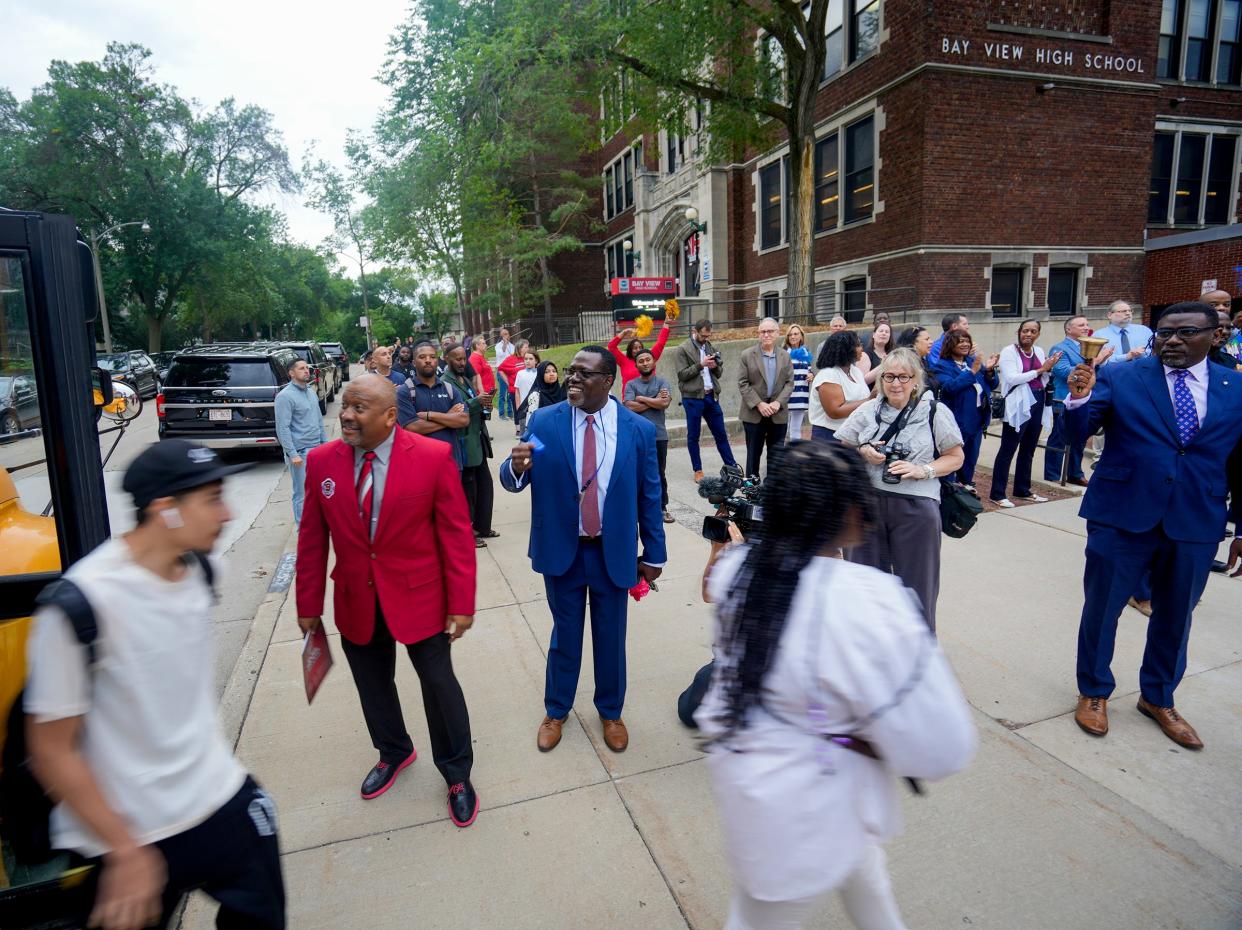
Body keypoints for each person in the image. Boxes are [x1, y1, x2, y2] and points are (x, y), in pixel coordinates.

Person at [698, 441, 975, 930]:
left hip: (760, 780)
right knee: (764, 916)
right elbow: (945, 747)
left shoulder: (739, 572)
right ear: (849, 512)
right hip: (805, 808)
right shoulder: (868, 600)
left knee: (866, 878)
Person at [26, 440, 286, 930]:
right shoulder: (81, 606)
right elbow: (49, 748)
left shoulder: (202, 570)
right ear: (164, 510)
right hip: (131, 835)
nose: (227, 512)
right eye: (211, 499)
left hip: (218, 798)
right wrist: (125, 854)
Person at [296, 375, 480, 825]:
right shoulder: (321, 462)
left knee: (439, 687)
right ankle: (393, 750)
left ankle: (457, 772)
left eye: (359, 408)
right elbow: (312, 538)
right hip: (357, 597)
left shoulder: (433, 457)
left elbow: (456, 536)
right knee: (373, 686)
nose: (346, 415)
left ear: (390, 416)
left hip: (421, 597)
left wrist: (462, 602)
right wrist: (307, 604)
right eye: (345, 406)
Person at [1063, 301, 1242, 751]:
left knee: (1177, 616)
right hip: (1122, 515)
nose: (1173, 340)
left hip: (1196, 520)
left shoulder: (1234, 389)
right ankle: (1094, 691)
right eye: (1164, 333)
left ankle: (1158, 697)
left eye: (1186, 332)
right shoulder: (1123, 376)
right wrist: (1079, 397)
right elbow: (1077, 432)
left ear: (1214, 336)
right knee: (1102, 608)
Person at [501, 346, 666, 753]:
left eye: (583, 374)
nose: (572, 379)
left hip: (614, 552)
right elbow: (512, 477)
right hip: (564, 551)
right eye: (571, 372)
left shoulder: (637, 430)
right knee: (565, 636)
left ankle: (610, 712)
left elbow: (650, 495)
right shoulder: (544, 421)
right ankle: (556, 711)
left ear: (608, 381)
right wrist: (517, 467)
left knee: (611, 637)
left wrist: (653, 554)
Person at [836, 348, 965, 631]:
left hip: (916, 508)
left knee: (918, 587)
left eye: (903, 377)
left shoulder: (935, 411)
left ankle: (917, 655)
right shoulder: (867, 410)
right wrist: (863, 451)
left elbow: (955, 457)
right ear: (880, 380)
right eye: (889, 376)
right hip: (867, 507)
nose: (896, 383)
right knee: (864, 585)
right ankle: (866, 652)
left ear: (915, 380)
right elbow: (842, 447)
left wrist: (923, 470)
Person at [989, 320, 1060, 508]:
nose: (1028, 334)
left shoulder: (1039, 351)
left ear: (1038, 334)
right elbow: (1011, 378)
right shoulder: (1009, 352)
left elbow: (1043, 377)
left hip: (1038, 400)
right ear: (1019, 332)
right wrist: (1041, 370)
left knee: (1029, 449)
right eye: (1025, 330)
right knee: (1008, 449)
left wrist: (1048, 369)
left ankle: (1022, 489)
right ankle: (997, 493)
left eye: (1033, 331)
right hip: (1018, 403)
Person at [1045, 316, 1114, 486]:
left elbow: (1097, 372)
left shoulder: (1091, 347)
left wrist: (1100, 362)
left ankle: (1074, 473)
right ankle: (1052, 474)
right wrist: (1095, 361)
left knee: (1080, 437)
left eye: (1087, 324)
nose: (1086, 327)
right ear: (1069, 329)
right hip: (1064, 399)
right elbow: (1062, 371)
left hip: (1086, 399)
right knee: (1059, 437)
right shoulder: (1060, 348)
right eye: (1081, 325)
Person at [442, 343, 497, 548]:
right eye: (457, 359)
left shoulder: (464, 379)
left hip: (478, 437)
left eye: (464, 359)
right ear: (446, 358)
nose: (462, 362)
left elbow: (471, 404)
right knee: (468, 490)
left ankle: (483, 526)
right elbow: (454, 411)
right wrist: (476, 402)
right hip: (463, 442)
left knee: (485, 485)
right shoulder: (444, 383)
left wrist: (485, 404)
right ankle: (468, 532)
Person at [673, 319, 739, 481]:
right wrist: (701, 365)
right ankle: (698, 470)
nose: (705, 338)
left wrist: (715, 366)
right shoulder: (683, 349)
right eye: (703, 336)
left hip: (711, 396)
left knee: (721, 434)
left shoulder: (709, 346)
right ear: (694, 332)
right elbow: (682, 375)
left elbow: (719, 373)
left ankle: (732, 467)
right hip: (693, 398)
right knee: (693, 435)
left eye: (708, 335)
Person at [933, 330, 999, 491]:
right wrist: (972, 372)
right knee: (952, 458)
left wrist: (990, 371)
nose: (965, 344)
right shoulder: (941, 366)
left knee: (970, 459)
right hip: (957, 420)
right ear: (950, 344)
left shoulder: (971, 361)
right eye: (960, 341)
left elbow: (992, 384)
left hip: (977, 419)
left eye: (967, 341)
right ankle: (947, 491)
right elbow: (950, 387)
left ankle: (965, 487)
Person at [396, 341, 468, 467]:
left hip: (451, 462)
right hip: (420, 465)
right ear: (414, 363)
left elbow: (463, 420)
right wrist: (449, 417)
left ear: (437, 361)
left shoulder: (449, 389)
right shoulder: (405, 391)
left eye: (432, 357)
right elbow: (412, 427)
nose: (428, 360)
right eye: (422, 357)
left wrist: (430, 415)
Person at [737, 317, 794, 476]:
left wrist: (778, 403)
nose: (766, 334)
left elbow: (790, 383)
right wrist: (759, 404)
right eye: (763, 331)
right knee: (753, 456)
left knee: (776, 456)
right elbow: (743, 383)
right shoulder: (747, 355)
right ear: (758, 334)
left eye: (770, 331)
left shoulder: (785, 356)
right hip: (754, 413)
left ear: (777, 333)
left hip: (778, 412)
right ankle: (751, 491)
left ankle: (773, 492)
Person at [623, 348, 675, 523]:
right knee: (636, 473)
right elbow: (629, 407)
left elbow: (664, 403)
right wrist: (654, 399)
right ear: (636, 364)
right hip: (636, 437)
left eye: (648, 359)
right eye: (641, 361)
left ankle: (662, 508)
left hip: (658, 435)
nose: (645, 363)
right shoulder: (631, 384)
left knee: (659, 473)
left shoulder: (662, 381)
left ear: (653, 362)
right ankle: (636, 510)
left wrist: (642, 399)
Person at [275, 358, 327, 524]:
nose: (307, 371)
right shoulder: (284, 396)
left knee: (320, 490)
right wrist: (292, 454)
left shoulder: (311, 392)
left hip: (317, 450)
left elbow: (319, 421)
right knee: (302, 494)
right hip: (300, 453)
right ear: (291, 373)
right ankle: (303, 530)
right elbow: (283, 428)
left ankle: (317, 525)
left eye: (307, 368)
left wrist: (324, 446)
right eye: (302, 368)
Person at [809, 331, 870, 442]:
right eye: (857, 345)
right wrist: (870, 400)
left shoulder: (855, 371)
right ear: (845, 349)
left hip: (852, 435)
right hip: (829, 437)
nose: (861, 348)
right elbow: (836, 412)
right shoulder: (828, 375)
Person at [608, 319, 672, 390]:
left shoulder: (649, 357)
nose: (638, 350)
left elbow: (661, 343)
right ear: (630, 350)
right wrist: (624, 332)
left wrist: (666, 323)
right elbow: (611, 347)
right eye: (635, 348)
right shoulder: (623, 361)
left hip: (652, 397)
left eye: (640, 347)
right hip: (631, 399)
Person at [784, 324, 812, 441]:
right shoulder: (784, 352)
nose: (793, 336)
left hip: (801, 394)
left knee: (796, 428)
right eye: (790, 334)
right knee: (783, 428)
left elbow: (809, 369)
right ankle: (781, 455)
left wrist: (811, 375)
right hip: (787, 394)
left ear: (801, 336)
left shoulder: (806, 352)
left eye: (796, 334)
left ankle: (794, 455)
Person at [895, 325, 938, 396]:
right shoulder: (906, 364)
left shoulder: (923, 361)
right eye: (927, 339)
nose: (931, 342)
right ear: (914, 343)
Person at [498, 338, 529, 427]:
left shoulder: (528, 358)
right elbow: (500, 369)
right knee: (517, 410)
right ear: (519, 348)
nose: (528, 349)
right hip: (515, 390)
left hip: (527, 389)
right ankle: (518, 429)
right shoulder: (511, 359)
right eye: (526, 347)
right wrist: (507, 381)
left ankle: (527, 428)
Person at [513, 349, 541, 436]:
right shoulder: (520, 373)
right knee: (524, 434)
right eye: (526, 359)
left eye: (530, 359)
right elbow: (517, 391)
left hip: (537, 407)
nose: (527, 361)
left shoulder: (540, 373)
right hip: (524, 408)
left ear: (536, 360)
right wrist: (518, 407)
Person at [494, 328, 516, 419]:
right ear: (501, 336)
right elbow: (501, 354)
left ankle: (510, 413)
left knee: (510, 392)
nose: (505, 336)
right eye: (503, 335)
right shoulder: (498, 346)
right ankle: (502, 413)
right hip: (501, 371)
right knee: (502, 393)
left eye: (506, 334)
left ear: (509, 335)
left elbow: (513, 356)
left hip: (510, 372)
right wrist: (505, 344)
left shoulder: (512, 346)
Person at [863, 321, 891, 386]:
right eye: (881, 331)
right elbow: (863, 381)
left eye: (887, 332)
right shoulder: (865, 354)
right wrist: (883, 365)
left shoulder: (892, 354)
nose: (884, 333)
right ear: (873, 335)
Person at [470, 335, 498, 399]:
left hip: (488, 393)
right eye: (483, 343)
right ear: (477, 345)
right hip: (483, 395)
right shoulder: (475, 358)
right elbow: (476, 377)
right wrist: (482, 394)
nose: (486, 345)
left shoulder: (481, 357)